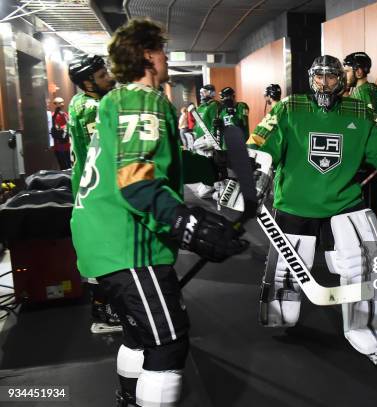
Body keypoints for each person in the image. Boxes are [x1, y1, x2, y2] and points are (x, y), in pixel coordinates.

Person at [70, 18, 247, 407]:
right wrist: (186, 223)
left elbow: (155, 160)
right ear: (149, 55)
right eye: (162, 51)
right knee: (167, 342)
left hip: (101, 239)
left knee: (138, 334)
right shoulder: (141, 98)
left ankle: (128, 398)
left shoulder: (117, 100)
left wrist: (208, 165)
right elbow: (135, 178)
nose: (166, 58)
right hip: (128, 244)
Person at [247, 55, 377, 363]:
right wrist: (252, 171)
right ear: (310, 78)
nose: (324, 83)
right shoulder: (290, 106)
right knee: (287, 272)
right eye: (318, 76)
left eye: (331, 77)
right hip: (295, 201)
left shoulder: (359, 109)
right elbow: (262, 143)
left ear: (341, 80)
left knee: (364, 263)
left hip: (344, 202)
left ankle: (366, 325)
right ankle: (280, 311)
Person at [67, 54, 120, 335]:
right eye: (101, 76)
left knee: (101, 251)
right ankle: (105, 313)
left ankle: (106, 309)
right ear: (87, 83)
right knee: (106, 253)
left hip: (86, 187)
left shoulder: (78, 102)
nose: (108, 77)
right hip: (97, 190)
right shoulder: (92, 107)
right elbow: (103, 154)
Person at [343, 52, 377, 217]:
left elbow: (362, 128)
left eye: (348, 71)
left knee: (365, 211)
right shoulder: (373, 89)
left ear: (359, 72)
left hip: (367, 159)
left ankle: (371, 243)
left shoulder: (361, 93)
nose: (345, 75)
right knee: (371, 208)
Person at [50, 97, 71, 169]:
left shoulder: (65, 114)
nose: (62, 104)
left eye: (62, 102)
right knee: (63, 166)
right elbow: (56, 129)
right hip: (59, 146)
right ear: (55, 105)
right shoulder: (53, 116)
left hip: (67, 144)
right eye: (59, 103)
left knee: (69, 165)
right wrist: (64, 128)